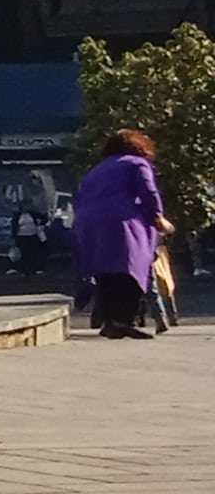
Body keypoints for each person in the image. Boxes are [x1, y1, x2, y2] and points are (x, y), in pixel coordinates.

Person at [74, 131, 166, 339]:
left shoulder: (97, 169)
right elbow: (149, 192)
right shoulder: (137, 164)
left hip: (88, 223)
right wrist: (158, 217)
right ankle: (123, 322)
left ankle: (109, 322)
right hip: (121, 222)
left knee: (105, 273)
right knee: (131, 271)